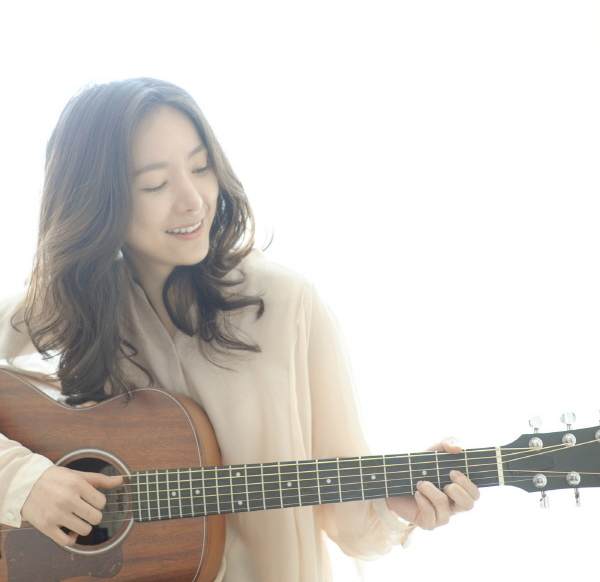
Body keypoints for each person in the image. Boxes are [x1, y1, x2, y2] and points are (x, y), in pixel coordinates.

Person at [0, 78, 479, 581]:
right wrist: (25, 483)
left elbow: (353, 524)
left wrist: (399, 503)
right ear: (98, 201)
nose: (193, 201)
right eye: (155, 184)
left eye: (201, 167)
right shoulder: (73, 304)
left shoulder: (288, 304)